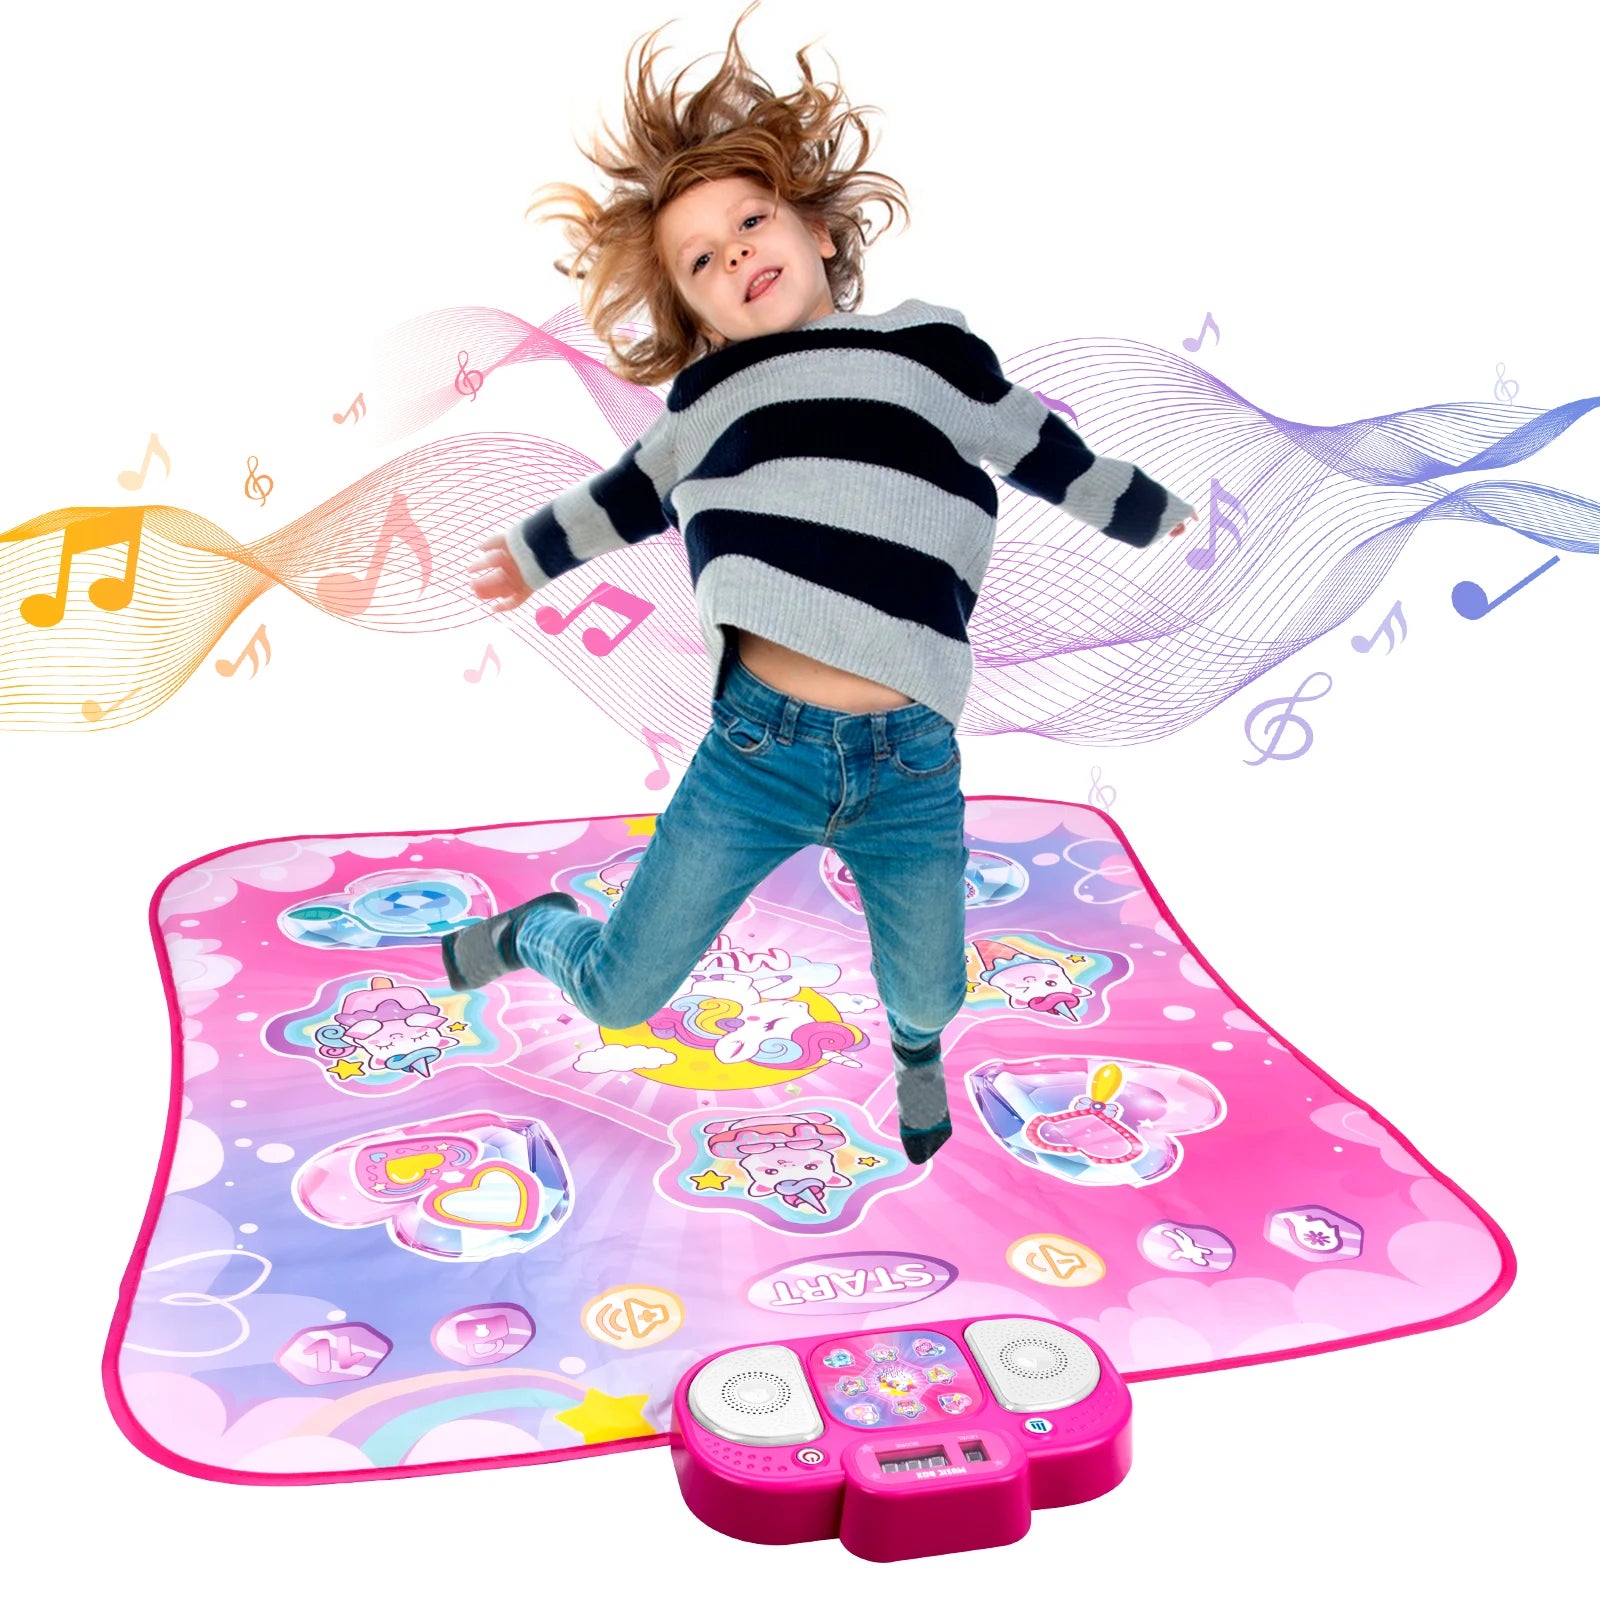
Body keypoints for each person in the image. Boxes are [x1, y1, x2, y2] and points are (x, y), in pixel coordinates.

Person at [441, 2, 1197, 1164]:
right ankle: (538, 932)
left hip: (910, 760)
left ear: (820, 231)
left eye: (751, 222)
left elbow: (1033, 443)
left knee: (932, 989)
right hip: (758, 752)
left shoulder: (928, 352)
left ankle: (915, 1049)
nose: (736, 254)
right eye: (702, 260)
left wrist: (1137, 507)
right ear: (693, 314)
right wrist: (529, 554)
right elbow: (625, 495)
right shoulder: (707, 404)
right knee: (620, 993)